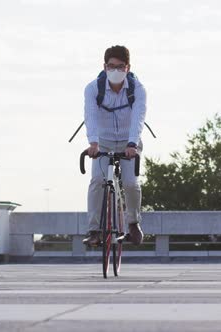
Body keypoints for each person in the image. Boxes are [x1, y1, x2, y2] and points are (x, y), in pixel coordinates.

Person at [82, 45, 146, 246]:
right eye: (111, 66)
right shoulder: (93, 89)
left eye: (120, 67)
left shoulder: (138, 89)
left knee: (130, 183)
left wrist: (132, 144)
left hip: (129, 142)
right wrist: (93, 143)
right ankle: (94, 230)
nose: (115, 71)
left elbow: (138, 118)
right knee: (97, 181)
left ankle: (133, 224)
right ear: (104, 66)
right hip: (102, 142)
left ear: (128, 68)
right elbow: (90, 116)